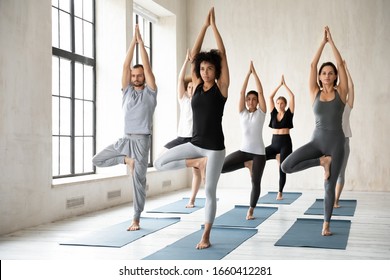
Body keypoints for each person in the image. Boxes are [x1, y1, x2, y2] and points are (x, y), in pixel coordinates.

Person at [154, 7, 229, 249]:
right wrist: (203, 27)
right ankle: (195, 164)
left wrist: (214, 27)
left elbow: (224, 55)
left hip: (215, 149)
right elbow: (194, 55)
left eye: (210, 69)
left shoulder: (222, 89)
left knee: (209, 191)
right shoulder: (195, 86)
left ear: (216, 71)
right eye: (203, 69)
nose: (205, 72)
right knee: (159, 163)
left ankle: (206, 236)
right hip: (195, 145)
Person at [281, 26, 348, 236]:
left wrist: (333, 43)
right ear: (319, 77)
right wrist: (323, 42)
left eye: (330, 73)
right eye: (323, 73)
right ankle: (322, 162)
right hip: (316, 142)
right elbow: (312, 64)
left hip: (336, 144)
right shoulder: (314, 92)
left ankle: (326, 225)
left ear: (335, 76)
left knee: (329, 186)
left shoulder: (342, 93)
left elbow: (341, 64)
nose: (327, 75)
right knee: (286, 166)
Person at [92, 25, 157, 231]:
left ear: (144, 77)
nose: (137, 77)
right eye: (134, 75)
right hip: (125, 139)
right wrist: (133, 42)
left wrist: (141, 44)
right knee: (97, 160)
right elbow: (124, 66)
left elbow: (148, 67)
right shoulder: (126, 92)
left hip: (141, 140)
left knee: (138, 180)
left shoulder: (151, 93)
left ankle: (136, 218)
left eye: (140, 75)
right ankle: (125, 160)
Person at [221, 61, 266, 220]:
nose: (251, 101)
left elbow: (261, 92)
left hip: (259, 154)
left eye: (254, 99)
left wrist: (255, 74)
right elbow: (241, 93)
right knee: (221, 167)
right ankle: (246, 164)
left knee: (256, 182)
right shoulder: (242, 113)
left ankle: (251, 210)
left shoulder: (261, 113)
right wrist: (247, 75)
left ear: (257, 101)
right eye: (249, 99)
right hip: (244, 151)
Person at [160, 49, 202, 208]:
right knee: (161, 158)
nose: (190, 89)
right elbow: (179, 80)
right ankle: (195, 162)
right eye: (189, 87)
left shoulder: (200, 102)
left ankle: (192, 200)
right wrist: (186, 61)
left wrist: (195, 66)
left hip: (194, 139)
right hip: (181, 137)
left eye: (193, 87)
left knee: (196, 172)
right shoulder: (183, 100)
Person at [265, 75, 295, 200]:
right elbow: (270, 97)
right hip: (274, 143)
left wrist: (285, 85)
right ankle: (276, 156)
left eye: (282, 103)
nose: (279, 105)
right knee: (260, 155)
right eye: (278, 103)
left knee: (282, 168)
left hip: (285, 144)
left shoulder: (289, 114)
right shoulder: (273, 113)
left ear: (285, 104)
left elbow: (292, 97)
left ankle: (280, 192)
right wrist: (279, 85)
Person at [334, 60, 354, 208]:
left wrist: (345, 70)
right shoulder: (330, 105)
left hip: (344, 141)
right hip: (330, 141)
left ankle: (336, 200)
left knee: (341, 173)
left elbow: (351, 87)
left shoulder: (347, 105)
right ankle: (330, 197)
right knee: (329, 172)